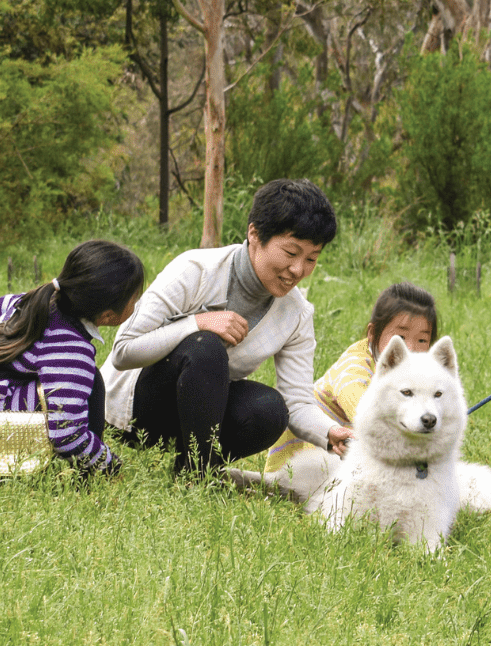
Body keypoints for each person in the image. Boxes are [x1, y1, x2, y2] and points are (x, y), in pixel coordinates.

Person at [103, 179, 341, 476]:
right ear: (254, 234)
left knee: (270, 409)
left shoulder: (296, 313)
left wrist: (330, 433)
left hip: (198, 416)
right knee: (205, 346)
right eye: (291, 253)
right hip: (133, 411)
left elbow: (297, 402)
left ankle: (190, 466)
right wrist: (197, 323)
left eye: (311, 259)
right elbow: (123, 352)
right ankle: (198, 475)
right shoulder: (194, 270)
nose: (298, 270)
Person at [0, 239, 145, 473]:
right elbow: (67, 435)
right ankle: (87, 476)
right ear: (108, 315)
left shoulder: (26, 302)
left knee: (81, 382)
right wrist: (111, 467)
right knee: (87, 386)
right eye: (135, 298)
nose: (137, 303)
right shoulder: (71, 349)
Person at [261, 282, 438, 481]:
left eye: (422, 340)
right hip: (301, 460)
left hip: (348, 453)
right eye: (400, 337)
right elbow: (359, 404)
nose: (411, 348)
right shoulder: (355, 365)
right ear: (373, 334)